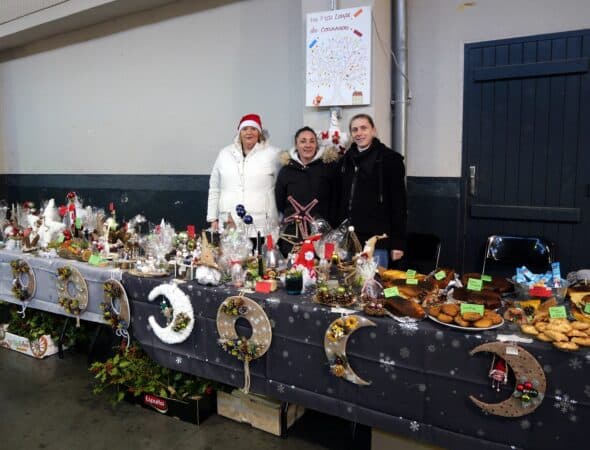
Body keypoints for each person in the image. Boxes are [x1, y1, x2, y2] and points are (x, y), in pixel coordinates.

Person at [334, 114, 407, 267]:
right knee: (347, 280)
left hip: (376, 241)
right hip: (348, 240)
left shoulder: (390, 159)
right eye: (355, 130)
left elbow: (399, 204)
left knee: (373, 281)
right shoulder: (345, 161)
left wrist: (398, 243)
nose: (359, 133)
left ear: (373, 131)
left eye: (364, 128)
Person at [206, 113, 280, 237]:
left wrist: (280, 218)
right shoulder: (224, 154)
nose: (249, 132)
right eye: (245, 129)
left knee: (259, 250)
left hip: (262, 225)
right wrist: (213, 218)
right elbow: (214, 188)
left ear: (259, 133)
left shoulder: (273, 154)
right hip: (229, 222)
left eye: (253, 129)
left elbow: (281, 188)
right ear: (239, 132)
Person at [275, 126, 339, 255]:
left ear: (316, 144)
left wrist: (328, 224)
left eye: (312, 141)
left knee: (320, 265)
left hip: (321, 233)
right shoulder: (286, 171)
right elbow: (280, 201)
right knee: (293, 266)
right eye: (303, 141)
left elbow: (336, 198)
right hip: (292, 234)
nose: (308, 145)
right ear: (296, 145)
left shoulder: (329, 168)